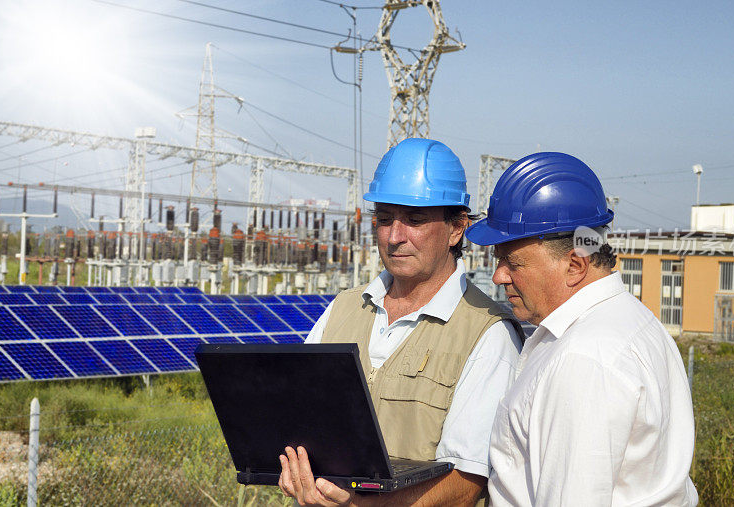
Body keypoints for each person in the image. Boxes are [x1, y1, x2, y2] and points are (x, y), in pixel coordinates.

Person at [278, 138, 522, 506]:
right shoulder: (342, 310)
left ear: (457, 228)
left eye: (415, 220)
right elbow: (295, 417)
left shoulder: (487, 334)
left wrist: (358, 505)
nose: (395, 236)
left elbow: (465, 484)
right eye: (385, 219)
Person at [466, 152, 698, 506]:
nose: (499, 276)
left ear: (574, 264)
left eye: (513, 262)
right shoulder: (632, 321)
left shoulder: (584, 359)